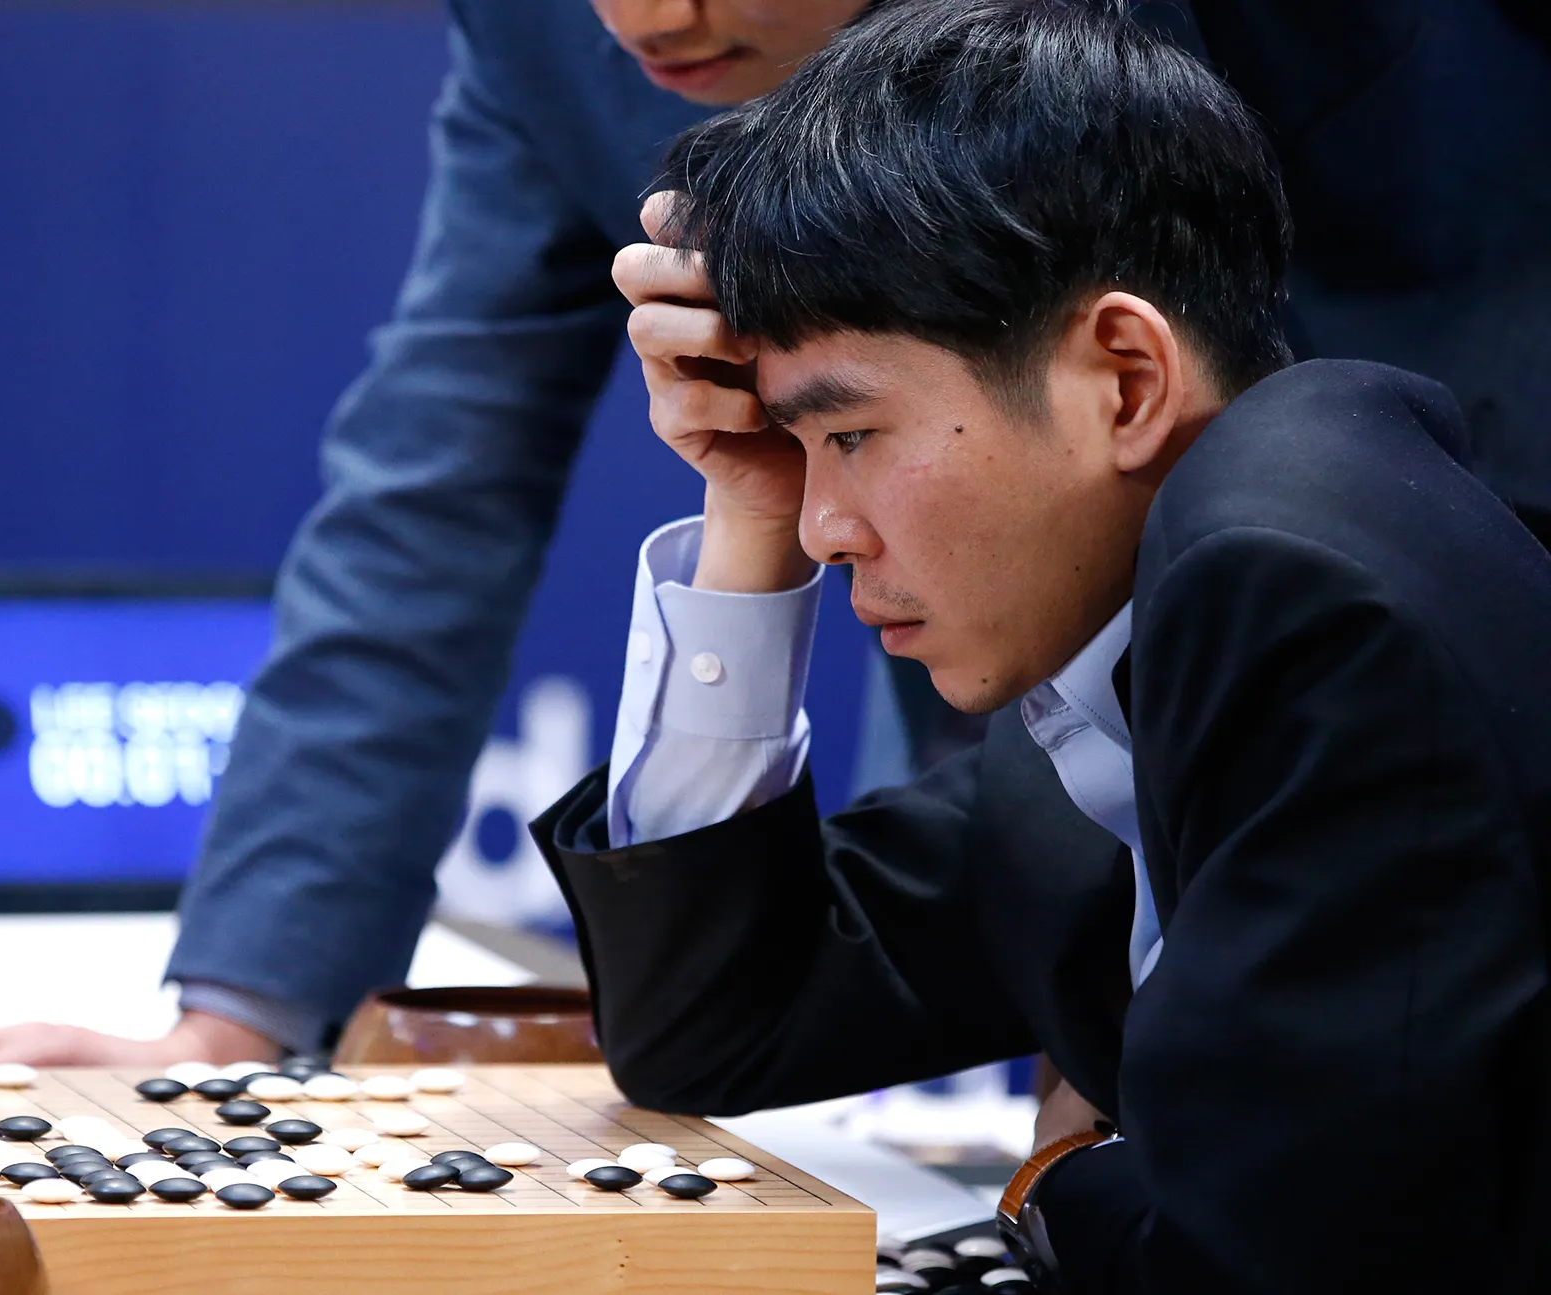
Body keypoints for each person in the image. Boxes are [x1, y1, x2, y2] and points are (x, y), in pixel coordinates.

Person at [0, 0, 1551, 1073]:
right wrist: (234, 1031)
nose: (648, 15)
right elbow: (429, 494)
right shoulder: (561, 49)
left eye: (848, 431)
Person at [534, 1, 1551, 1291]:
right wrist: (745, 512)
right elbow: (718, 1022)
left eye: (847, 436)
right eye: (795, 452)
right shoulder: (1168, 621)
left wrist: (1051, 1181)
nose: (824, 527)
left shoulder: (1297, 600)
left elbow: (1245, 1264)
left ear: (1124, 379)